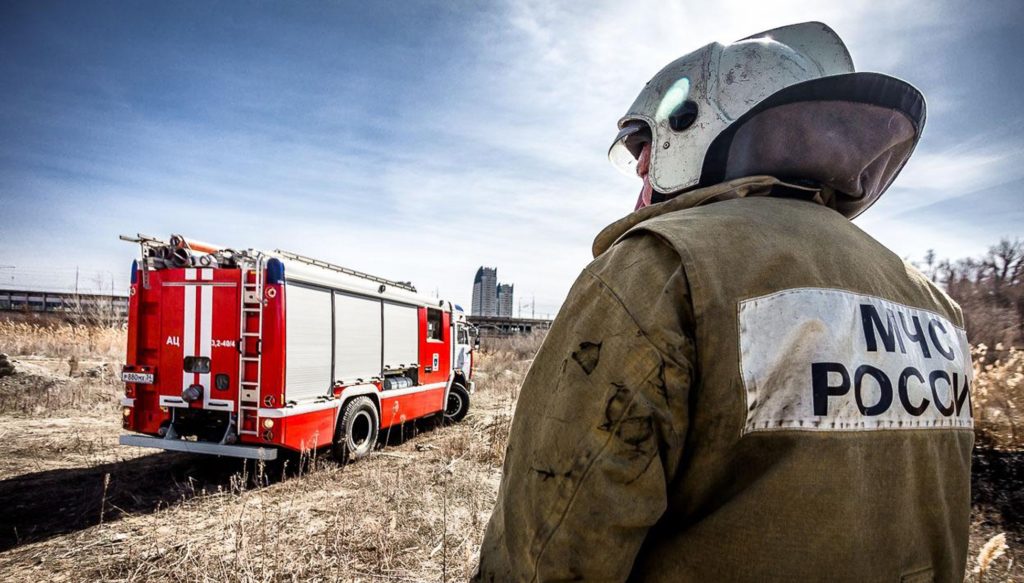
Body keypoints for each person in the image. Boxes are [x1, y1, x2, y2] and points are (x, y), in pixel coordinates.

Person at [475, 21, 973, 582]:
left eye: (646, 148)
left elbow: (547, 555)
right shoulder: (935, 307)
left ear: (690, 128)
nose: (642, 169)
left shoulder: (656, 270)